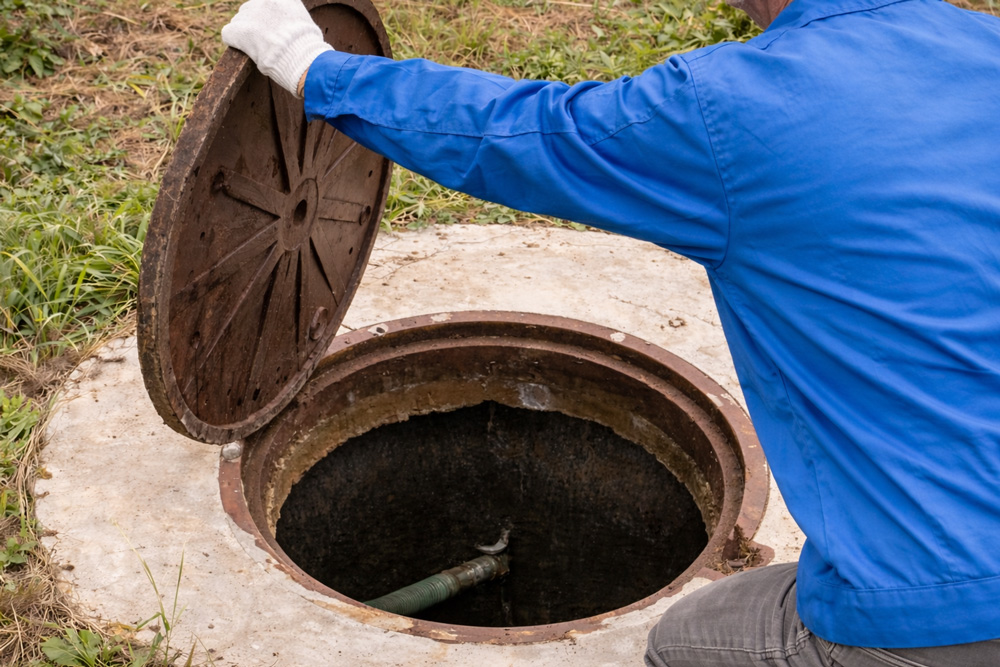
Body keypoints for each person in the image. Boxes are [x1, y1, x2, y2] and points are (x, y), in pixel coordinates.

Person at [220, 0, 1000, 663]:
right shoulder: (982, 50)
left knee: (691, 639)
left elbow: (523, 135)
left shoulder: (737, 107)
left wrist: (311, 68)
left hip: (937, 610)